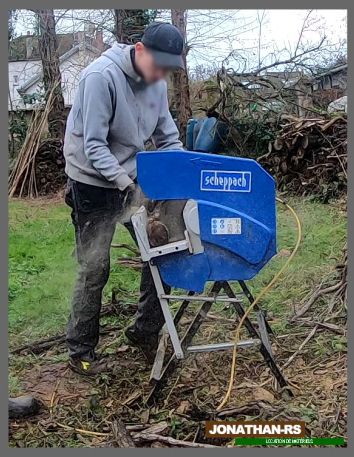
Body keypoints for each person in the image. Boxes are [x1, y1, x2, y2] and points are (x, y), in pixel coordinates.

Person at [63, 22, 184, 375]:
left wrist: (181, 174)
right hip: (91, 181)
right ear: (140, 49)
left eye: (167, 69)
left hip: (132, 177)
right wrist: (125, 185)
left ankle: (144, 332)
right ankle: (80, 351)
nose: (161, 75)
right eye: (158, 65)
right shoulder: (100, 77)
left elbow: (168, 138)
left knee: (165, 250)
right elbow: (94, 146)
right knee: (94, 267)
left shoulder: (156, 83)